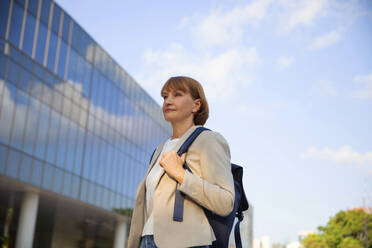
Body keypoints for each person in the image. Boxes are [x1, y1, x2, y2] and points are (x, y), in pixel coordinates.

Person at [127, 76, 235, 248]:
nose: (168, 101)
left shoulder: (208, 140)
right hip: (146, 241)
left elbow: (225, 201)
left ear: (196, 105)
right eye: (165, 96)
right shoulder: (160, 149)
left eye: (177, 94)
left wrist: (181, 174)